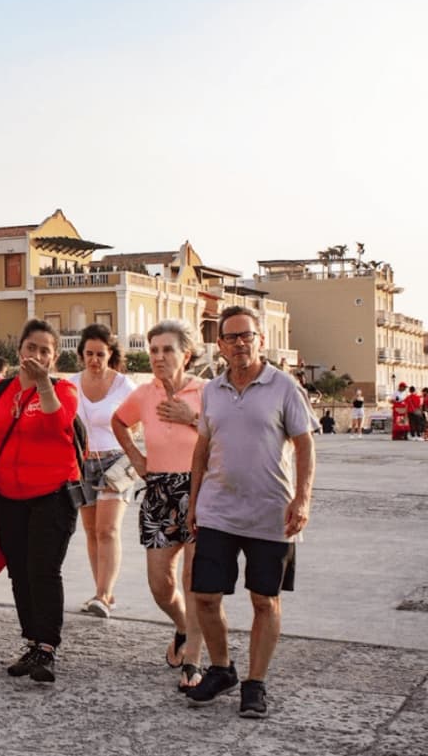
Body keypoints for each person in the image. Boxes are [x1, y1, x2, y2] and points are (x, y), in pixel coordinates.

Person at [186, 306, 315, 719]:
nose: (240, 343)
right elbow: (202, 448)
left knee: (264, 600)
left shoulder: (284, 387)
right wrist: (193, 501)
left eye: (247, 336)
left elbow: (305, 445)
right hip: (217, 510)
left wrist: (303, 498)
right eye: (232, 337)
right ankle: (222, 669)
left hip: (271, 514)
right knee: (206, 596)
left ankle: (255, 684)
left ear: (260, 340)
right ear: (220, 345)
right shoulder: (211, 390)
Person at [0, 318, 81, 683]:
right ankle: (32, 641)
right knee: (19, 570)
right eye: (31, 347)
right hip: (7, 494)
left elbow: (56, 423)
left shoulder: (64, 390)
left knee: (43, 569)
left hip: (53, 494)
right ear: (19, 350)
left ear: (54, 357)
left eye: (45, 351)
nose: (36, 355)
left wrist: (44, 383)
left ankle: (47, 648)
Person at [111, 320, 207, 692]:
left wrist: (191, 418)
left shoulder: (207, 392)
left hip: (200, 489)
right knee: (160, 584)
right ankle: (183, 627)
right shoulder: (144, 394)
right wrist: (136, 458)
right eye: (153, 350)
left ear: (186, 354)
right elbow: (119, 422)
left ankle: (194, 659)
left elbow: (225, 434)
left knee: (194, 578)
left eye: (167, 350)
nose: (159, 357)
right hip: (158, 490)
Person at [66, 323, 135, 619]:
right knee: (92, 531)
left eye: (100, 354)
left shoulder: (124, 386)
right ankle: (103, 592)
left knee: (108, 530)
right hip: (82, 464)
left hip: (115, 463)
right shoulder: (70, 385)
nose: (94, 360)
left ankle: (103, 596)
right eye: (89, 354)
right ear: (81, 354)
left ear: (110, 355)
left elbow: (137, 423)